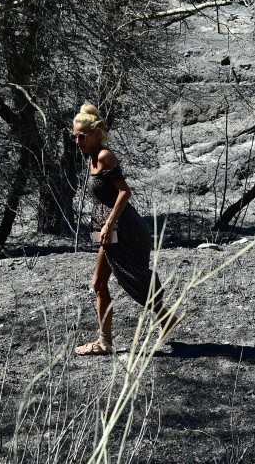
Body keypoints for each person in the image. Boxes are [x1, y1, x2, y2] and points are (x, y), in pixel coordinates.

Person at [71, 103, 178, 356]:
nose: (77, 141)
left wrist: (108, 224)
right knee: (100, 283)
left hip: (124, 229)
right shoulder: (91, 158)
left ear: (96, 134)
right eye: (74, 136)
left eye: (81, 136)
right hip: (109, 230)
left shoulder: (104, 156)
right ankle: (108, 340)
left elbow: (125, 192)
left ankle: (162, 320)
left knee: (124, 278)